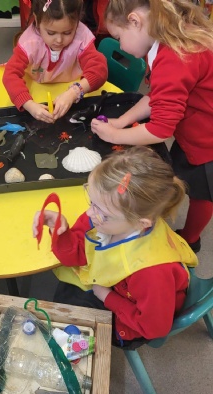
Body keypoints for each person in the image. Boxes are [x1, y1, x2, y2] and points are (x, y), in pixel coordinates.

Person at [33, 146, 198, 349]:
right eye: (91, 202)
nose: (89, 213)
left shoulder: (151, 273)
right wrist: (61, 229)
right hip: (114, 285)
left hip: (132, 320)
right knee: (65, 295)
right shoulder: (107, 217)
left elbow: (154, 328)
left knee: (67, 312)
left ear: (141, 223)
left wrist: (107, 296)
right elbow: (76, 255)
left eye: (100, 211)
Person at [90, 0, 213, 253]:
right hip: (193, 128)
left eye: (118, 37)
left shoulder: (175, 58)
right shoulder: (167, 39)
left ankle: (190, 240)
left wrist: (115, 134)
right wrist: (122, 121)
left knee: (203, 193)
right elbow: (157, 96)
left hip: (206, 141)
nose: (120, 46)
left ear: (135, 21)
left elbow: (160, 129)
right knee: (184, 173)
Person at [3, 0, 107, 123]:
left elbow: (99, 70)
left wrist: (74, 92)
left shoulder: (81, 39)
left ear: (77, 22)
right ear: (37, 20)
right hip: (36, 86)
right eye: (51, 33)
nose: (59, 40)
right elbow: (10, 75)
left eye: (67, 32)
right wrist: (28, 104)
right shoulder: (29, 43)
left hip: (72, 85)